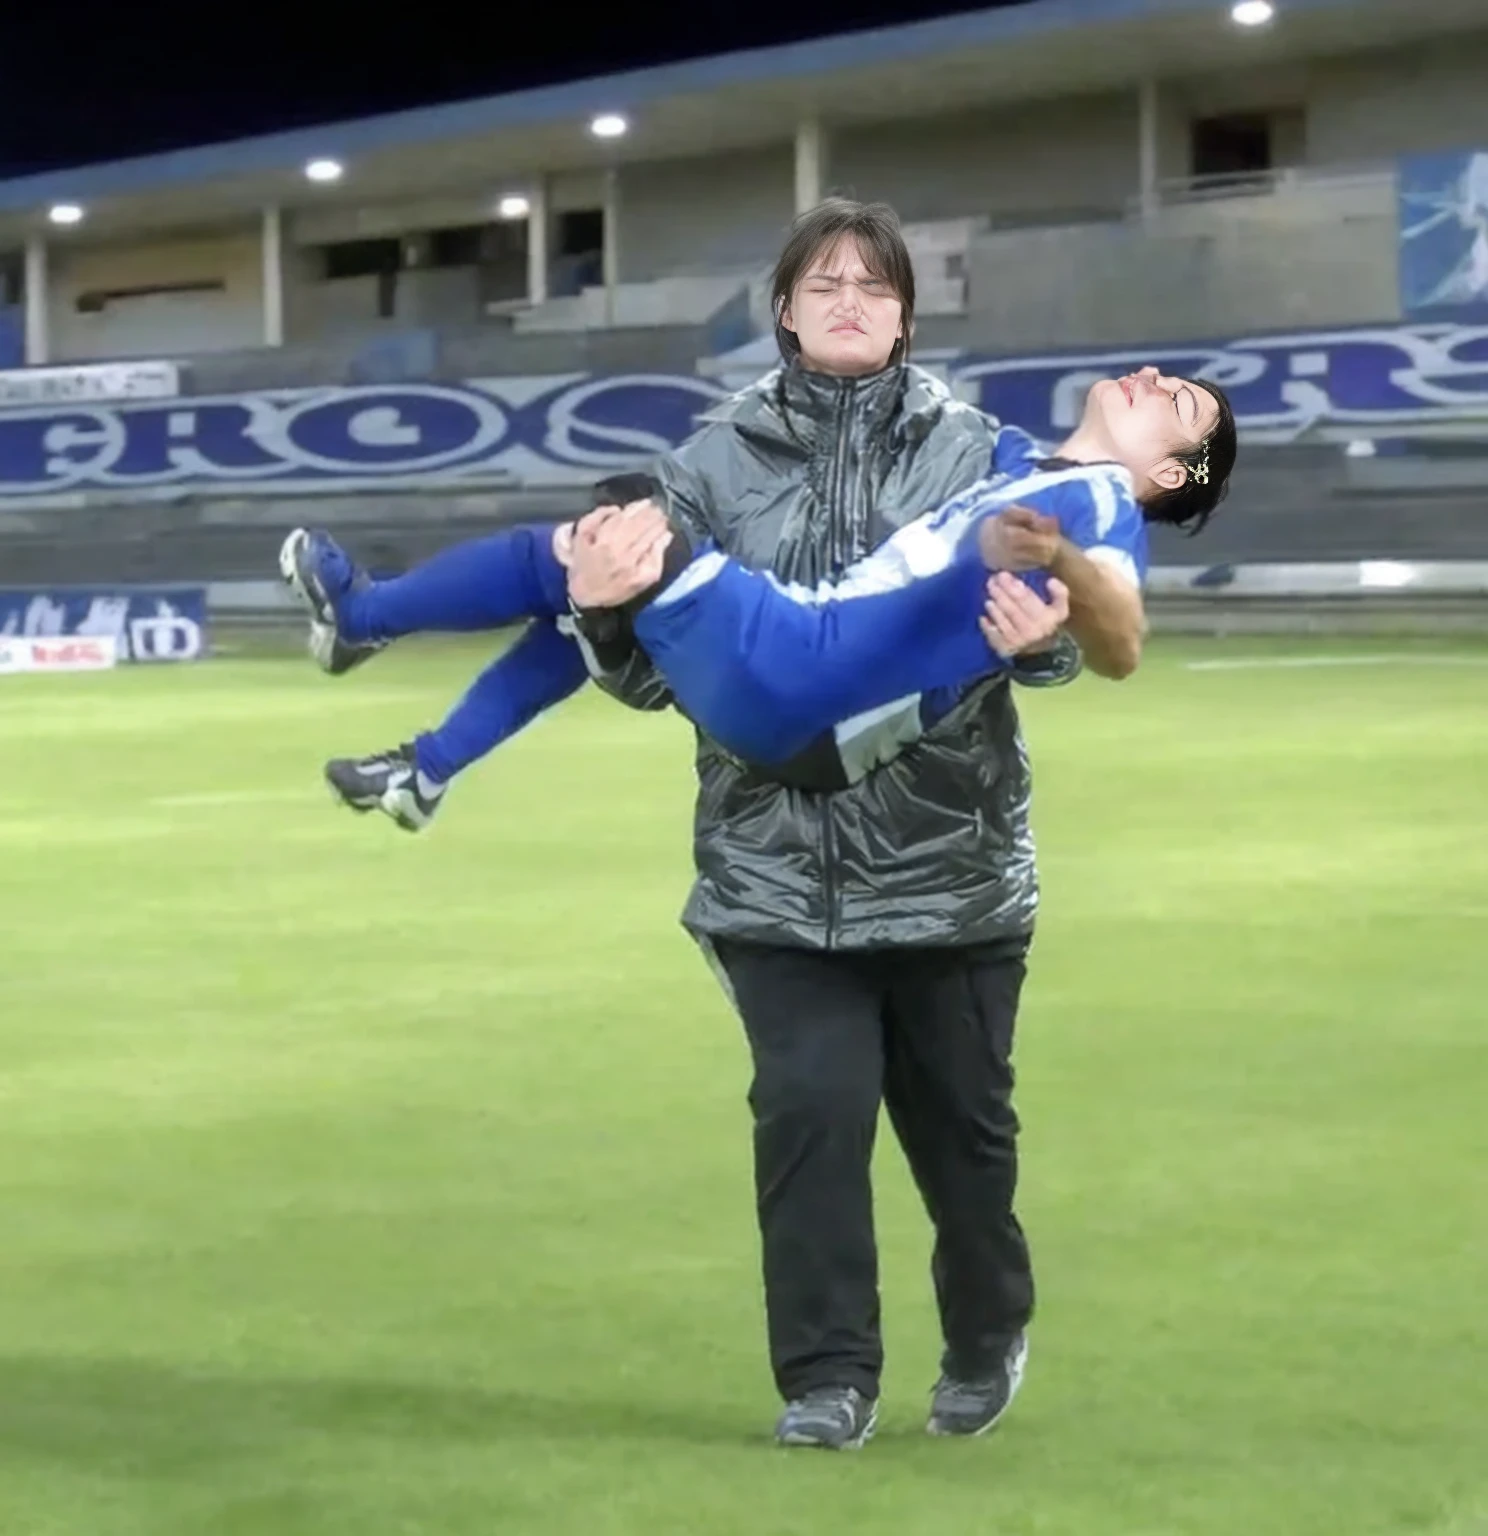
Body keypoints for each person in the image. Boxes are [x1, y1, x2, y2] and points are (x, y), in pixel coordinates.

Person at [282, 365, 1224, 822]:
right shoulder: (1014, 459)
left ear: (1173, 476)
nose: (1152, 378)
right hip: (810, 697)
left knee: (610, 535)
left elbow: (1123, 643)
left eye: (1175, 402)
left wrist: (1060, 565)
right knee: (588, 599)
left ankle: (361, 616)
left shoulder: (1100, 504)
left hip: (806, 674)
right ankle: (429, 770)